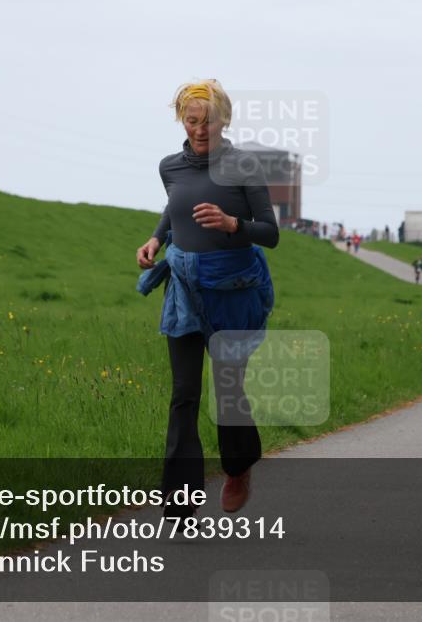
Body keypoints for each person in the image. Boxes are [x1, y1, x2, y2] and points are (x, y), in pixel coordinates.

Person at [136, 79, 279, 519]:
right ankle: (180, 505)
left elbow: (269, 233)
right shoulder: (169, 167)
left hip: (232, 292)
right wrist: (157, 239)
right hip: (184, 288)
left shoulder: (245, 166)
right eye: (191, 120)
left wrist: (232, 223)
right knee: (184, 394)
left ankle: (237, 468)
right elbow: (176, 206)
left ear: (224, 119)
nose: (200, 129)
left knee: (228, 390)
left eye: (208, 121)